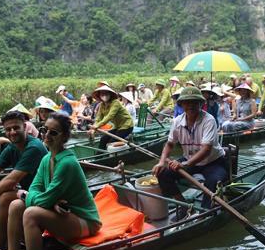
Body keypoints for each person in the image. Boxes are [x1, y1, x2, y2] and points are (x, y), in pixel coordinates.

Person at [7, 113, 100, 250]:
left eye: (53, 132)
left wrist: (25, 195)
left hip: (85, 221)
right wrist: (50, 203)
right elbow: (35, 188)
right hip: (64, 212)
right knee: (15, 205)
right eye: (45, 130)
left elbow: (42, 199)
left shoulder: (67, 163)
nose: (47, 135)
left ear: (64, 137)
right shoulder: (46, 158)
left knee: (31, 213)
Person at [152, 87, 227, 221]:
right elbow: (169, 144)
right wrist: (162, 161)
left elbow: (206, 150)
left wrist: (185, 164)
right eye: (187, 102)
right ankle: (183, 205)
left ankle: (205, 213)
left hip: (213, 162)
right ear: (181, 105)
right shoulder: (177, 121)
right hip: (189, 161)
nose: (191, 105)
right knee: (162, 173)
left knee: (213, 182)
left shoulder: (208, 120)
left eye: (194, 102)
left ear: (200, 104)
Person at [0, 111, 48, 249]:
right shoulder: (12, 146)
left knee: (5, 197)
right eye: (8, 129)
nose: (12, 132)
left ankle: (1, 243)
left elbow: (11, 181)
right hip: (24, 190)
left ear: (24, 126)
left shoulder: (34, 147)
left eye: (16, 128)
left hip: (40, 194)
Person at [87, 85, 134, 150]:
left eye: (106, 93)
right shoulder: (101, 105)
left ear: (110, 94)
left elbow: (110, 116)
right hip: (117, 126)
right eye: (102, 94)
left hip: (126, 126)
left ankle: (112, 155)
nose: (104, 95)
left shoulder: (115, 103)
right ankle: (99, 157)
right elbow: (98, 117)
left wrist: (97, 126)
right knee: (103, 139)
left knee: (111, 142)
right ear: (99, 96)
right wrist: (93, 129)